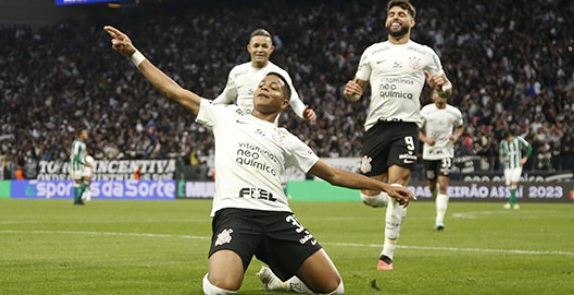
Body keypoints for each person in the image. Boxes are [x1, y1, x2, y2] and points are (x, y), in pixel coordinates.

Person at [104, 25, 414, 295]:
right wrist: (134, 53)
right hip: (236, 214)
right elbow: (173, 91)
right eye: (262, 84)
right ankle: (231, 261)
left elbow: (332, 174)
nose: (264, 85)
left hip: (278, 217)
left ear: (283, 102)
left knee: (334, 289)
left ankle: (281, 280)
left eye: (274, 86)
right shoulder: (225, 114)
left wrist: (384, 187)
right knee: (222, 288)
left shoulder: (287, 139)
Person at [343, 0, 452, 271]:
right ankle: (397, 197)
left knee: (398, 185)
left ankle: (387, 254)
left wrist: (445, 86)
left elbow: (445, 88)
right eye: (391, 13)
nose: (395, 17)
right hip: (376, 126)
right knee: (368, 195)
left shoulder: (424, 53)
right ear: (386, 20)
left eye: (401, 14)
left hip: (406, 125)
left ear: (411, 21)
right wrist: (351, 94)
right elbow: (356, 92)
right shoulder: (372, 52)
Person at [214, 28, 316, 123]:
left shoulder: (280, 74)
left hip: (267, 132)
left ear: (271, 49)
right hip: (242, 130)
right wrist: (203, 106)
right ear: (249, 48)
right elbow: (226, 97)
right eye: (256, 45)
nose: (260, 50)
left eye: (264, 46)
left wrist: (304, 112)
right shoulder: (237, 71)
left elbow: (293, 100)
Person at [419, 90, 464, 230]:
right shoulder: (426, 111)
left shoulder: (454, 112)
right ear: (433, 96)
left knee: (443, 185)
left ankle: (439, 220)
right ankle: (437, 199)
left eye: (442, 94)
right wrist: (426, 139)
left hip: (446, 152)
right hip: (429, 153)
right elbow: (416, 129)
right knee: (432, 185)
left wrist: (456, 137)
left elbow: (460, 127)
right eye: (437, 94)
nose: (439, 96)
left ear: (447, 96)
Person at [499, 130, 532, 210]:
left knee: (514, 182)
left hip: (517, 165)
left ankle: (510, 203)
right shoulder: (503, 143)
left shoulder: (519, 139)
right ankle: (514, 203)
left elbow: (530, 147)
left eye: (508, 139)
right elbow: (501, 155)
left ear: (510, 136)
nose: (508, 140)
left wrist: (525, 158)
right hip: (508, 167)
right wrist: (503, 159)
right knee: (510, 184)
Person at [69, 130, 92, 205]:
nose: (87, 135)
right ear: (81, 134)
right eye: (85, 133)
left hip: (82, 165)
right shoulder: (76, 143)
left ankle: (78, 199)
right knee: (78, 182)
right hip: (76, 165)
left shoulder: (83, 144)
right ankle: (77, 200)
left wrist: (86, 162)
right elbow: (75, 157)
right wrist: (85, 163)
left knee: (87, 179)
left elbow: (82, 156)